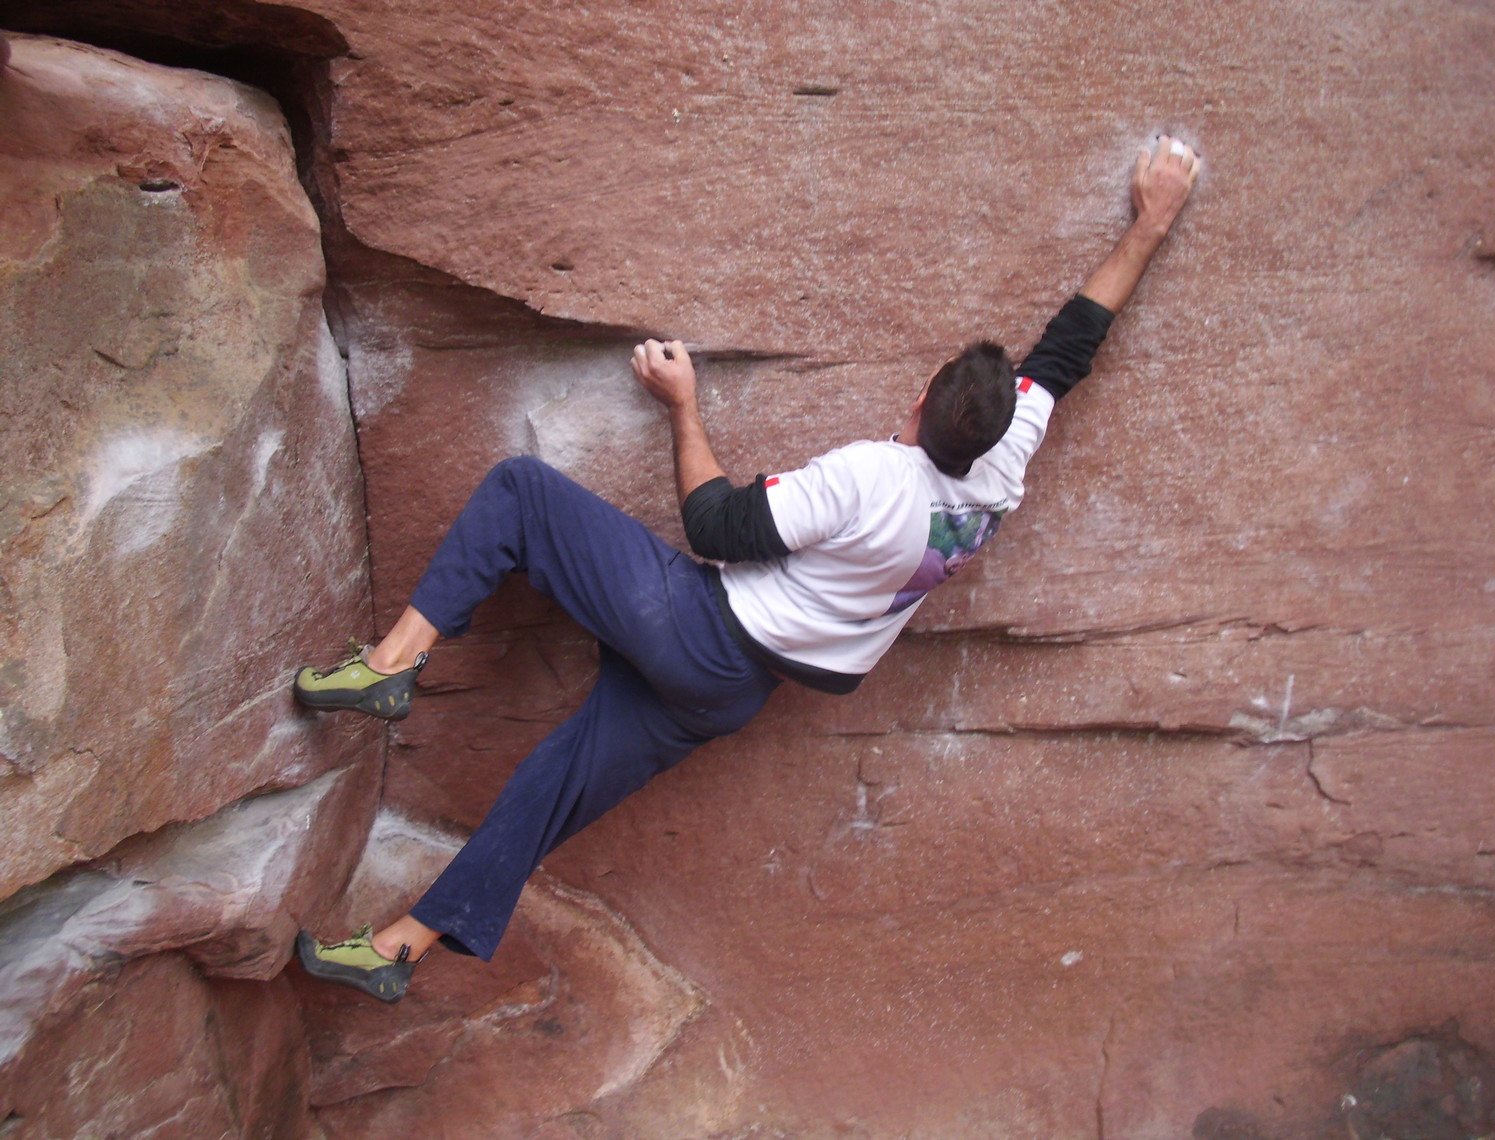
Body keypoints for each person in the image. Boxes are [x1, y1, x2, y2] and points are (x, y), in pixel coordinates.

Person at [293, 137, 1202, 1002]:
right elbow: (1073, 342)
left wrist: (683, 406)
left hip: (700, 630)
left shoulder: (870, 477)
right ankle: (397, 951)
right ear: (996, 427)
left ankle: (392, 664)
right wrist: (1152, 223)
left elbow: (716, 525)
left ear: (922, 394)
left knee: (522, 492)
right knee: (549, 790)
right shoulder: (1003, 466)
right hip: (729, 695)